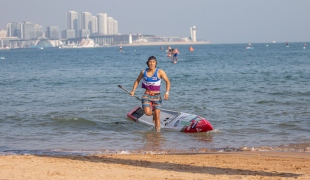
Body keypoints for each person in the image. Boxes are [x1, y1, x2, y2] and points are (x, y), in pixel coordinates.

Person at [130, 56, 170, 132]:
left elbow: (167, 81)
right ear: (148, 63)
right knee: (148, 113)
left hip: (157, 96)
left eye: (153, 62)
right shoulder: (143, 72)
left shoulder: (160, 72)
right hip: (146, 95)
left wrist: (167, 93)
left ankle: (158, 134)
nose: (152, 64)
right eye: (150, 62)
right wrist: (133, 91)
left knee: (157, 115)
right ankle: (154, 114)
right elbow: (137, 81)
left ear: (155, 63)